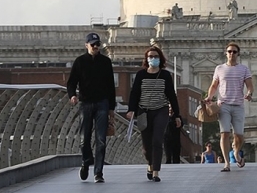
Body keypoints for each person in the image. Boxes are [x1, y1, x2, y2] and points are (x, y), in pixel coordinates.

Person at [67, 32, 116, 183]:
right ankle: (85, 161)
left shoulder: (106, 62)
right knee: (84, 139)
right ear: (86, 45)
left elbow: (110, 86)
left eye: (97, 44)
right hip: (85, 103)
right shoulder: (80, 61)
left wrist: (111, 108)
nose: (95, 47)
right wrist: (72, 95)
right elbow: (71, 82)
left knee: (101, 139)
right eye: (93, 44)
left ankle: (98, 173)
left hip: (102, 103)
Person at [127, 45, 181, 183]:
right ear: (146, 59)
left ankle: (156, 171)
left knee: (157, 140)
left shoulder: (165, 75)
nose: (153, 59)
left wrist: (177, 115)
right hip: (144, 111)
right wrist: (131, 109)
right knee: (146, 146)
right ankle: (150, 164)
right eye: (150, 56)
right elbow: (134, 94)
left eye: (156, 56)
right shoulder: (141, 75)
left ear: (160, 59)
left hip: (161, 110)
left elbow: (171, 96)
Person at [204, 42, 253, 172]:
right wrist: (209, 96)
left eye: (234, 52)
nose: (231, 54)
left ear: (238, 54)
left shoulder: (244, 69)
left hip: (238, 105)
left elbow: (249, 85)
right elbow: (214, 85)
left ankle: (236, 152)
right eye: (229, 51)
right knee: (224, 133)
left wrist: (249, 93)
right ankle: (227, 163)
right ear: (226, 53)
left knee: (239, 135)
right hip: (223, 104)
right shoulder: (219, 68)